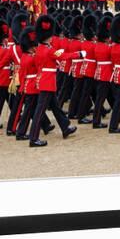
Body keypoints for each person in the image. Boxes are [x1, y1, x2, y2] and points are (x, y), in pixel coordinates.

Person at [28, 15, 84, 147]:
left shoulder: (40, 48)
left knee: (55, 107)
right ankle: (33, 138)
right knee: (40, 111)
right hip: (47, 81)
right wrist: (79, 54)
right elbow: (64, 56)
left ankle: (65, 127)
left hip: (45, 79)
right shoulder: (47, 50)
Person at [14, 27, 54, 140]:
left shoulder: (25, 56)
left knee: (35, 108)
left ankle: (45, 126)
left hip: (30, 85)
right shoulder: (31, 58)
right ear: (31, 47)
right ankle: (21, 132)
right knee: (30, 110)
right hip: (32, 86)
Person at [92, 16, 114, 128]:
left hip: (101, 72)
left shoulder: (98, 46)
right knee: (100, 99)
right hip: (106, 73)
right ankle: (96, 121)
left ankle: (117, 115)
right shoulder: (107, 47)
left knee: (108, 96)